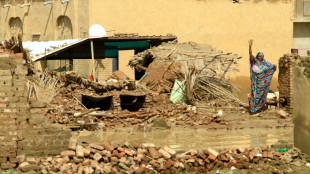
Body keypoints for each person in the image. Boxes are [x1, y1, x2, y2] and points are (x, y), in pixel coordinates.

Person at [249, 39, 277, 113]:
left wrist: (274, 66)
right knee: (254, 95)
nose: (259, 57)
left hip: (262, 84)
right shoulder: (254, 61)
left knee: (262, 95)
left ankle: (260, 108)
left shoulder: (265, 63)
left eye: (260, 56)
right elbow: (250, 55)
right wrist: (250, 46)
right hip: (255, 82)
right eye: (258, 56)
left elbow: (271, 67)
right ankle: (253, 109)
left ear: (262, 56)